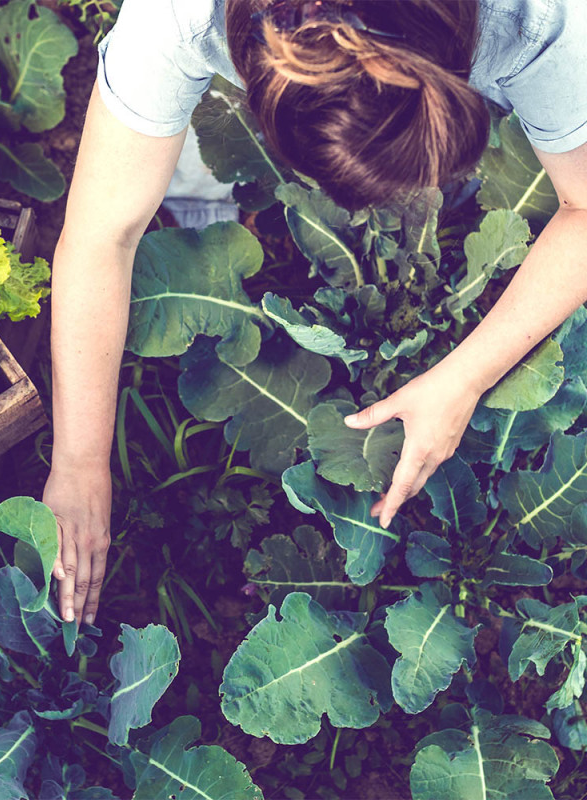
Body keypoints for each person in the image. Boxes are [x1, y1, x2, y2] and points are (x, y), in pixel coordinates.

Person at [44, 0, 587, 627]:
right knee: (171, 157)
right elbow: (99, 237)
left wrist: (462, 378)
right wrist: (80, 461)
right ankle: (197, 175)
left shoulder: (537, 16)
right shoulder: (180, 16)